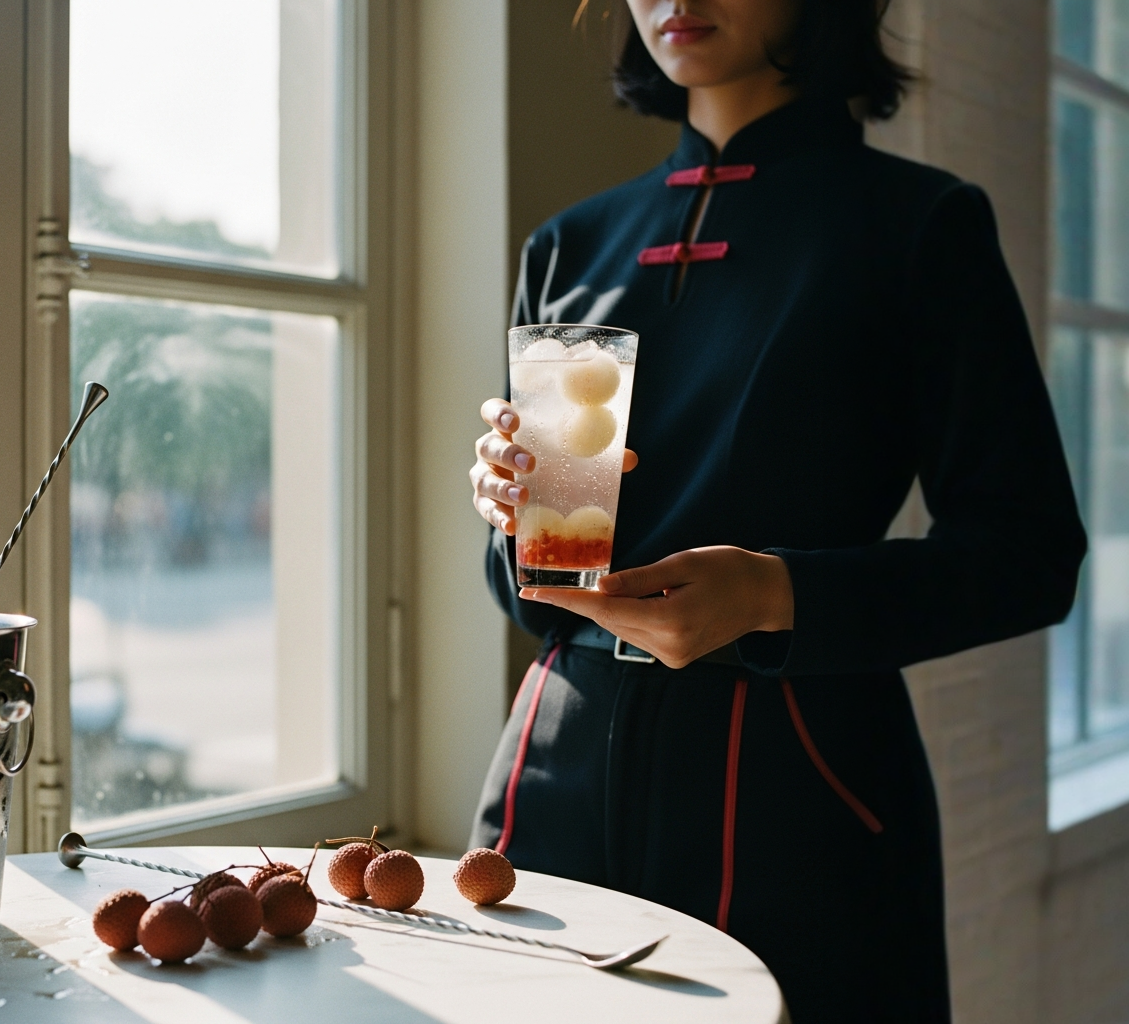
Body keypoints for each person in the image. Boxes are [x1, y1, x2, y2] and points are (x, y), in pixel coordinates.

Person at [465, 2, 1087, 1021]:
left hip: (801, 789)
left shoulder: (917, 225)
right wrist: (507, 516)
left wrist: (773, 592)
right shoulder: (567, 244)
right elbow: (540, 593)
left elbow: (1029, 553)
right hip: (551, 777)